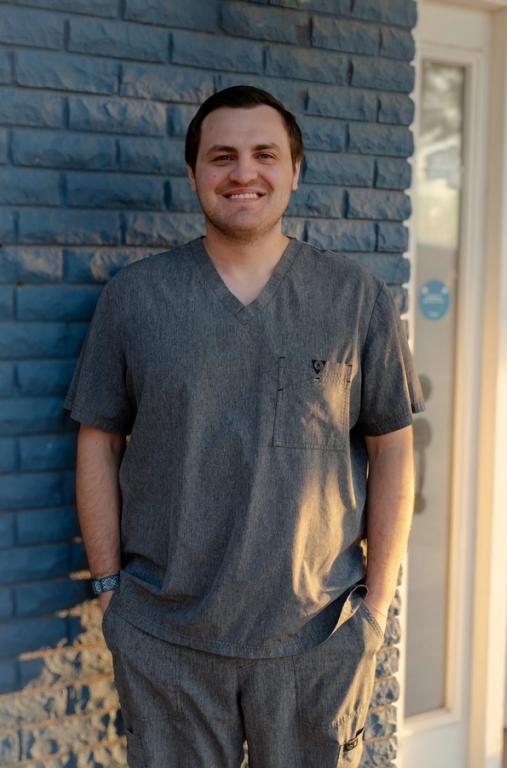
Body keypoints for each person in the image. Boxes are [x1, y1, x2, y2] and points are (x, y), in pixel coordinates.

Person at [63, 85, 425, 767]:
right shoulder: (136, 298)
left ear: (294, 170)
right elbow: (97, 439)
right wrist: (109, 589)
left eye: (264, 154)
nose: (242, 173)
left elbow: (393, 451)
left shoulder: (354, 298)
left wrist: (375, 608)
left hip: (318, 640)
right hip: (165, 639)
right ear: (195, 173)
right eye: (221, 156)